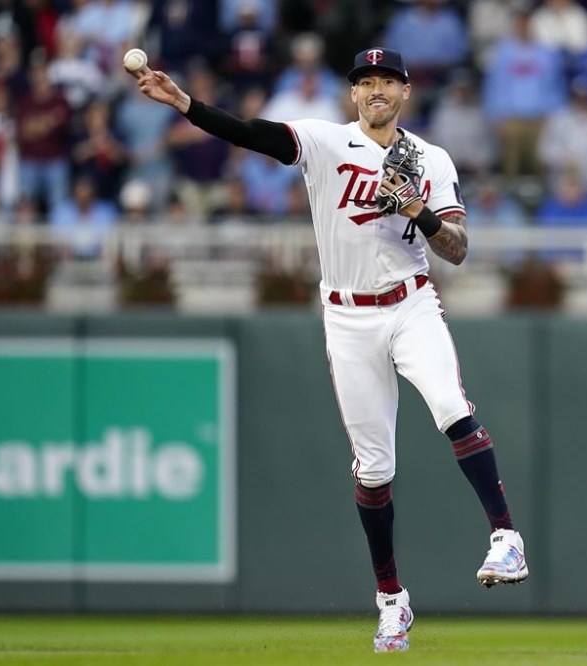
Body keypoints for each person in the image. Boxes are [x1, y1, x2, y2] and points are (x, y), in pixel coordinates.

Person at [129, 46, 528, 653]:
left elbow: (457, 248)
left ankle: (505, 536)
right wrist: (184, 103)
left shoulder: (428, 158)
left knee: (450, 405)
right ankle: (392, 602)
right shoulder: (323, 141)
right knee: (374, 471)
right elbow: (250, 133)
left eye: (387, 82)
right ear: (352, 94)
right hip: (346, 316)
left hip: (410, 300)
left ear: (405, 93)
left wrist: (417, 210)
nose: (375, 90)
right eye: (365, 81)